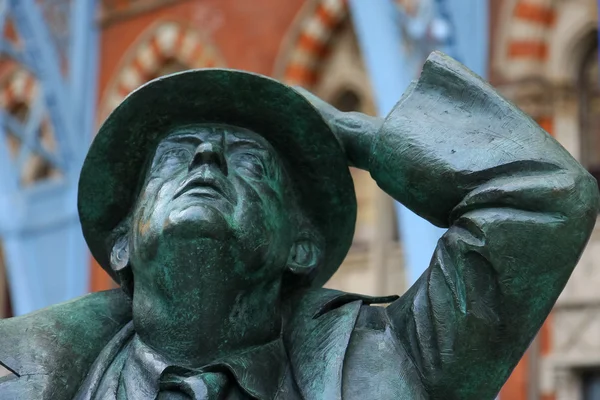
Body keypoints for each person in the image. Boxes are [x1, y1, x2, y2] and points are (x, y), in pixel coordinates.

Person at [0, 52, 597, 400]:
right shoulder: (25, 375)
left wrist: (353, 136)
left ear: (301, 246)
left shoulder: (395, 362)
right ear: (120, 242)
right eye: (175, 154)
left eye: (252, 162)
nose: (208, 160)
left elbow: (544, 199)